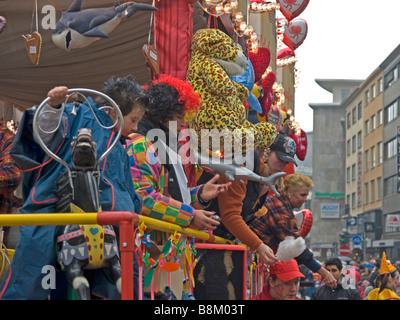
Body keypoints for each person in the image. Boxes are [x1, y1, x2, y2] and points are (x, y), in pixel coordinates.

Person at [0, 75, 146, 300]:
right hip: (55, 202)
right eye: (134, 120)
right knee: (34, 253)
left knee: (127, 264)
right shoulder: (78, 114)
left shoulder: (119, 145)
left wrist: (134, 207)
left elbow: (125, 186)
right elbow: (45, 132)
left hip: (111, 217)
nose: (135, 128)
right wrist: (54, 106)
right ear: (114, 111)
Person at [125, 74, 231, 232]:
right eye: (179, 117)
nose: (183, 123)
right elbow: (144, 197)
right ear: (162, 115)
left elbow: (168, 194)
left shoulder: (164, 147)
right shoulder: (141, 145)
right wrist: (190, 216)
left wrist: (199, 194)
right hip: (151, 248)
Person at [199, 132, 298, 266]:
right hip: (199, 239)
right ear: (267, 152)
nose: (282, 165)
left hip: (215, 243)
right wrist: (258, 245)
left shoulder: (265, 181)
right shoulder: (241, 168)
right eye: (280, 159)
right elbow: (231, 216)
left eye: (286, 162)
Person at [249, 173, 337, 288]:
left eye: (306, 195)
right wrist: (324, 273)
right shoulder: (281, 209)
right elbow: (296, 249)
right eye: (302, 195)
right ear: (289, 192)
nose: (305, 199)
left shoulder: (277, 201)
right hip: (250, 259)